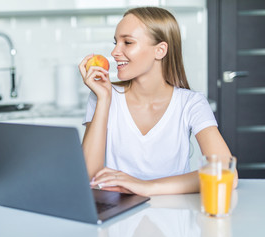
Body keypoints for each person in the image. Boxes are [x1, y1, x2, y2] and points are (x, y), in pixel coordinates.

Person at [78, 7, 238, 196]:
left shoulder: (191, 103)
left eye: (127, 42)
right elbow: (88, 177)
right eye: (116, 42)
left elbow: (225, 172)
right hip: (118, 216)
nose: (114, 52)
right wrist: (104, 99)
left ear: (160, 50)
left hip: (176, 215)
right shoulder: (102, 95)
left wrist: (144, 186)